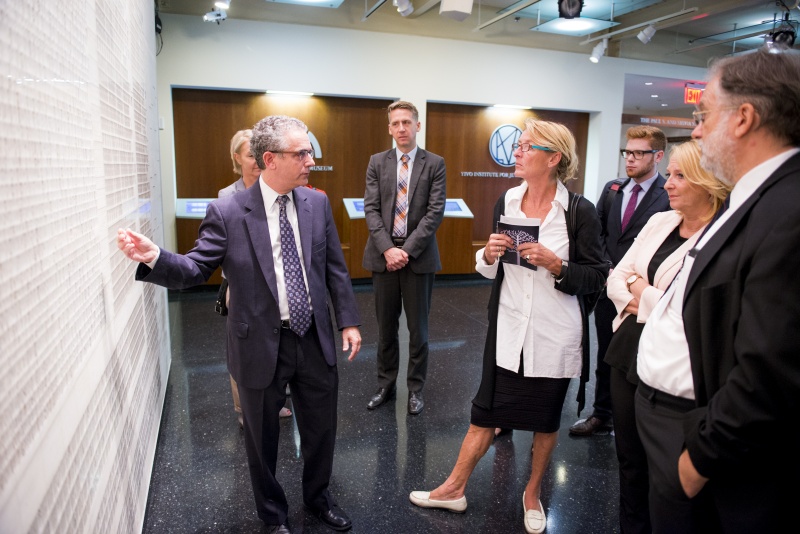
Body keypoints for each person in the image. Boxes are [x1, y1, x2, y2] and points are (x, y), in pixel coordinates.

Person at [118, 115, 362, 534]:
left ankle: (319, 499)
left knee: (322, 429)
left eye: (310, 152)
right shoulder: (228, 211)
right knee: (262, 440)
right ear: (270, 159)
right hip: (258, 344)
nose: (311, 160)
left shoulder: (316, 203)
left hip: (313, 337)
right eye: (301, 153)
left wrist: (349, 321)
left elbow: (333, 269)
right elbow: (196, 267)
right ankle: (273, 517)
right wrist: (155, 257)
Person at [408, 119, 607, 534]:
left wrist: (557, 265)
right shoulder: (508, 200)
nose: (516, 152)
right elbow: (489, 269)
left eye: (526, 146)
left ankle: (532, 493)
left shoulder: (578, 211)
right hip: (508, 329)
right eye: (517, 145)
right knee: (484, 414)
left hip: (553, 333)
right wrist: (488, 253)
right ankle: (453, 488)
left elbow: (596, 276)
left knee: (545, 420)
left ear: (553, 158)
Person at [636, 49, 800, 532]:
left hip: (711, 453)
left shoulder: (787, 211)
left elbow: (772, 371)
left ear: (745, 118)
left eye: (703, 115)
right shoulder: (757, 197)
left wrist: (695, 463)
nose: (698, 130)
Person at [604, 140, 729, 534]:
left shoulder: (718, 237)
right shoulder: (660, 221)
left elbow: (686, 311)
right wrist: (645, 296)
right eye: (670, 173)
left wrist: (642, 291)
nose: (669, 184)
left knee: (667, 470)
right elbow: (615, 279)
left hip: (675, 368)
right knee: (629, 460)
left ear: (708, 182)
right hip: (627, 350)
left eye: (680, 176)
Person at [569, 126, 671, 437]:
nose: (630, 159)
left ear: (658, 156)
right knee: (606, 354)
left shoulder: (668, 194)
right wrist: (607, 268)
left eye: (639, 153)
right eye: (628, 152)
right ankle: (602, 414)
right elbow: (596, 231)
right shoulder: (614, 189)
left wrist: (633, 277)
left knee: (639, 354)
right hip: (609, 285)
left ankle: (637, 419)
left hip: (643, 291)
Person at [362, 100, 446, 415]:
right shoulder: (376, 162)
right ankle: (385, 385)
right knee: (385, 328)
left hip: (418, 257)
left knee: (418, 330)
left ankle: (415, 389)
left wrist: (406, 250)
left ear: (417, 126)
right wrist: (388, 249)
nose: (401, 128)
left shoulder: (435, 163)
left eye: (407, 122)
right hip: (383, 256)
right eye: (396, 123)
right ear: (389, 128)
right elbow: (370, 208)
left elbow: (435, 212)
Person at [220, 129, 292, 428]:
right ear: (237, 158)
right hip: (243, 285)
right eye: (250, 155)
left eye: (261, 155)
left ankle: (275, 399)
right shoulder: (228, 197)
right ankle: (244, 409)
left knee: (277, 341)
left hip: (277, 284)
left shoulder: (278, 191)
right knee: (245, 348)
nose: (257, 162)